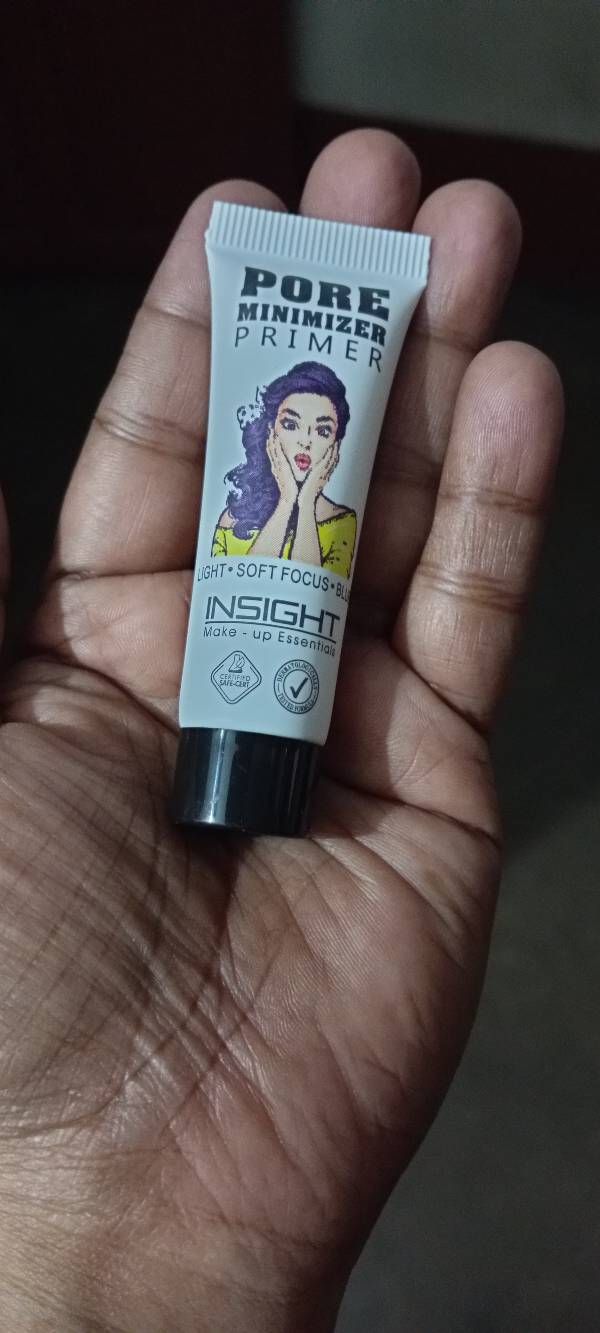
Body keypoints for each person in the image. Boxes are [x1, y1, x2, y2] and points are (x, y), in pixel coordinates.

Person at [0, 129, 562, 1330]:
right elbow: (264, 550)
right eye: (295, 429)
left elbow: (312, 551)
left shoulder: (327, 517)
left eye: (324, 432)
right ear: (267, 431)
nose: (309, 446)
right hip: (211, 734)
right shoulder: (243, 513)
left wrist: (312, 502)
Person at [212, 361, 357, 578]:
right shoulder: (233, 520)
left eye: (322, 431)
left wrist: (306, 503)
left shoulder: (341, 524)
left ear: (335, 445)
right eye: (291, 425)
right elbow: (244, 586)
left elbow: (307, 591)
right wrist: (287, 500)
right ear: (271, 432)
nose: (305, 442)